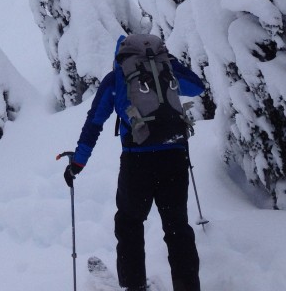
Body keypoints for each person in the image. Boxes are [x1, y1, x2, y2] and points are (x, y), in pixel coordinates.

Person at [64, 33, 205, 291]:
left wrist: (78, 163)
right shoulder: (166, 68)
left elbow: (94, 122)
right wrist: (168, 65)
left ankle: (135, 286)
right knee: (177, 228)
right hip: (174, 155)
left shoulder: (116, 78)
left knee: (129, 224)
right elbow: (197, 86)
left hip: (137, 162)